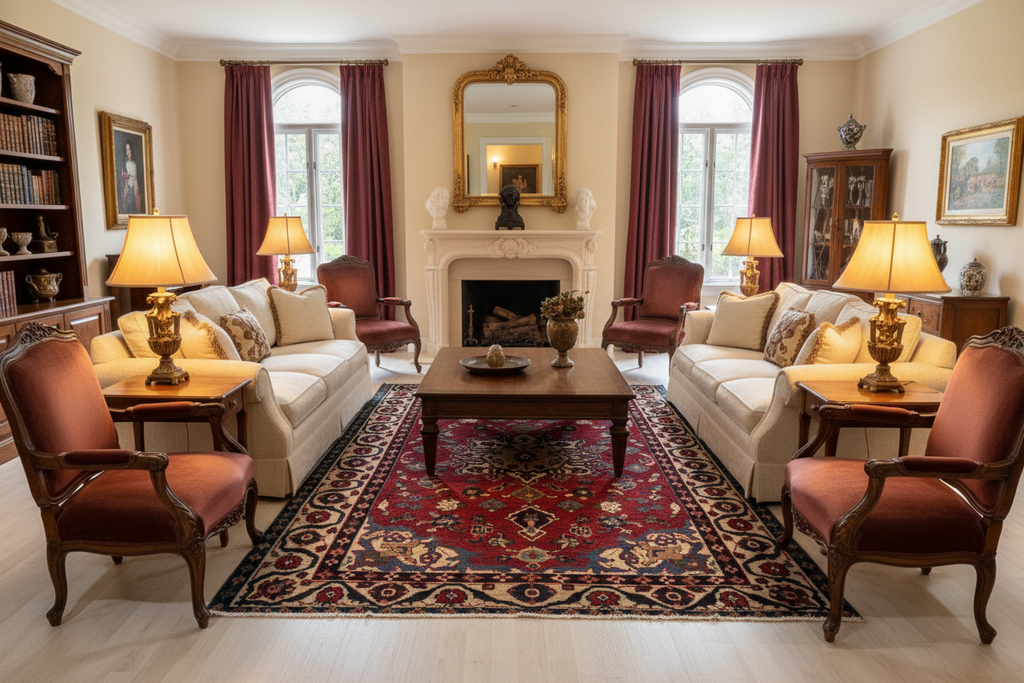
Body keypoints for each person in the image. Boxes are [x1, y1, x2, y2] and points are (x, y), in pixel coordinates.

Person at [120, 140, 141, 214]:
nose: (128, 152)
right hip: (127, 187)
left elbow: (135, 177)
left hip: (134, 187)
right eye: (126, 150)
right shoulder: (124, 164)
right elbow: (123, 178)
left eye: (129, 149)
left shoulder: (134, 164)